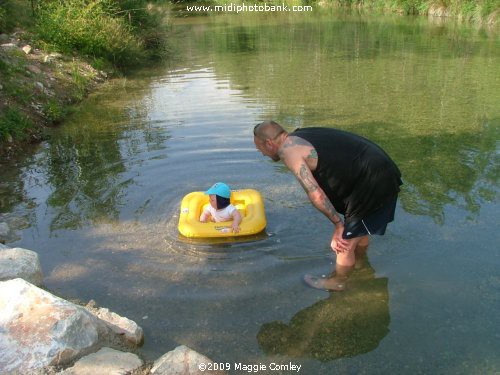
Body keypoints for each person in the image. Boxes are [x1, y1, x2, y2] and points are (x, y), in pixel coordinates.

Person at [253, 120, 402, 290]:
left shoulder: (288, 151)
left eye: (260, 149)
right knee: (359, 231)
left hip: (373, 178)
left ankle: (338, 281)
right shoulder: (299, 134)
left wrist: (338, 225)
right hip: (379, 167)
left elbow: (315, 194)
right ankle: (361, 264)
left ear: (269, 143)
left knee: (343, 244)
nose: (262, 153)